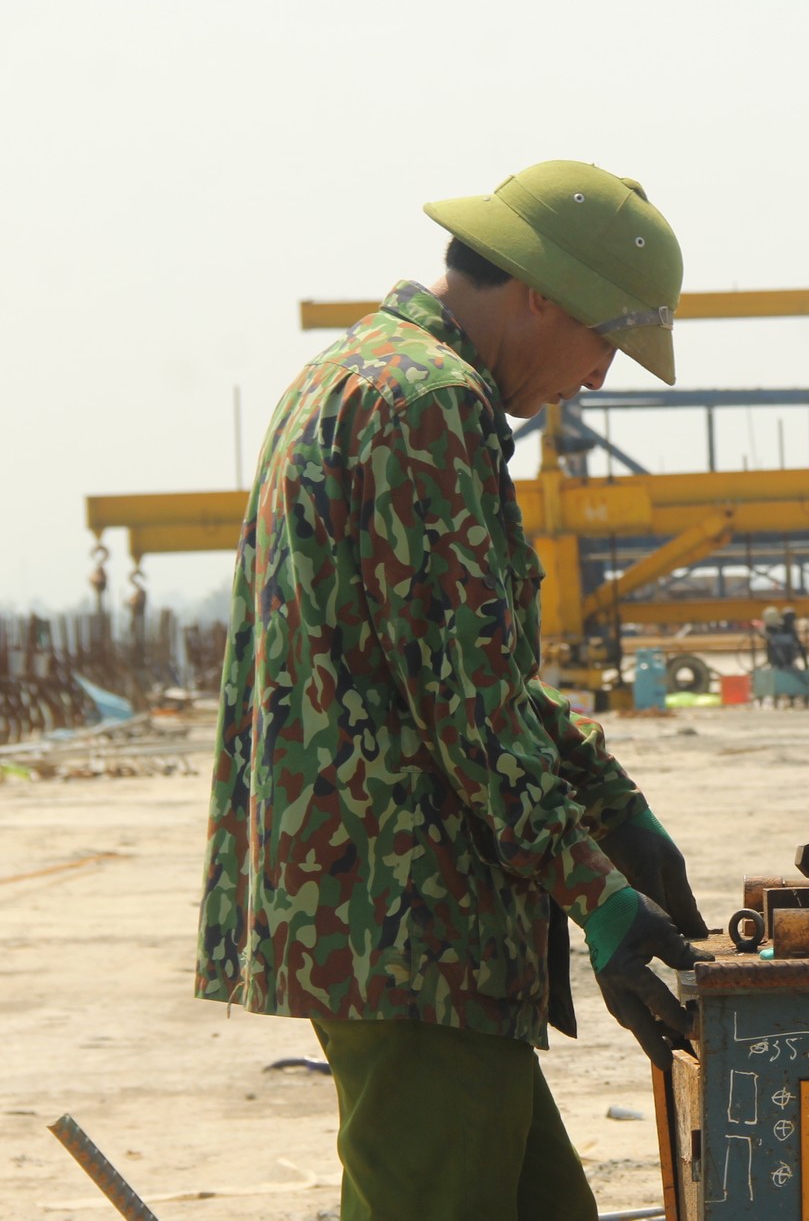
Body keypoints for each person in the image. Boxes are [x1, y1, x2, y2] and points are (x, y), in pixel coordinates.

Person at [196, 161, 711, 1221]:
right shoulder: (429, 406)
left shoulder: (351, 375)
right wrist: (596, 893)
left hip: (387, 923)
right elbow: (467, 705)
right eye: (605, 342)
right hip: (408, 923)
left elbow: (451, 667)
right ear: (542, 297)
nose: (600, 379)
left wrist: (611, 805)